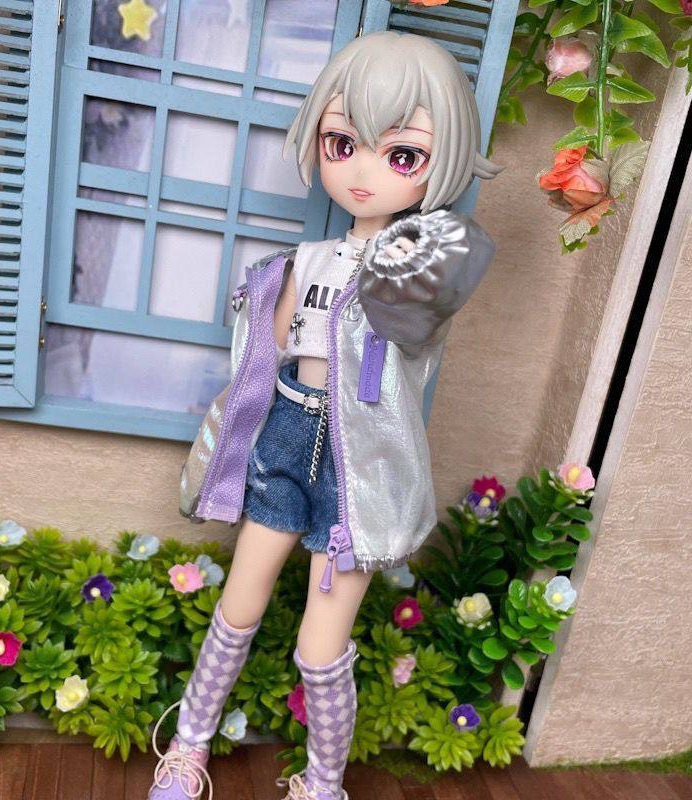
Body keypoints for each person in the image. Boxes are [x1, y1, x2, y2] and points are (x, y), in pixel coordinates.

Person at [147, 29, 501, 800]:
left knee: (320, 641)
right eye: (343, 144)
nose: (363, 172)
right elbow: (266, 357)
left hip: (356, 461)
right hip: (286, 433)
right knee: (239, 602)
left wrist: (407, 267)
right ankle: (188, 746)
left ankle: (324, 782)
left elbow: (418, 322)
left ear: (440, 162)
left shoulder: (418, 271)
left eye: (402, 155)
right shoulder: (305, 260)